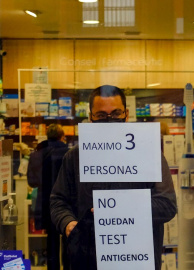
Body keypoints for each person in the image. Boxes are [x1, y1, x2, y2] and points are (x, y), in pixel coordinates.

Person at [50, 85, 177, 270]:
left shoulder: (148, 153)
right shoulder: (75, 157)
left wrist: (116, 208)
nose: (109, 120)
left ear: (126, 114)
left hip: (136, 257)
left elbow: (167, 205)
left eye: (116, 113)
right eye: (101, 115)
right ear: (91, 116)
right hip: (87, 257)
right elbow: (58, 201)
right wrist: (68, 223)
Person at [27, 124, 69, 270]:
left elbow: (32, 182)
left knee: (51, 239)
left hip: (45, 201)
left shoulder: (37, 153)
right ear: (62, 135)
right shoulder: (68, 152)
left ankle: (53, 267)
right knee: (68, 235)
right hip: (66, 201)